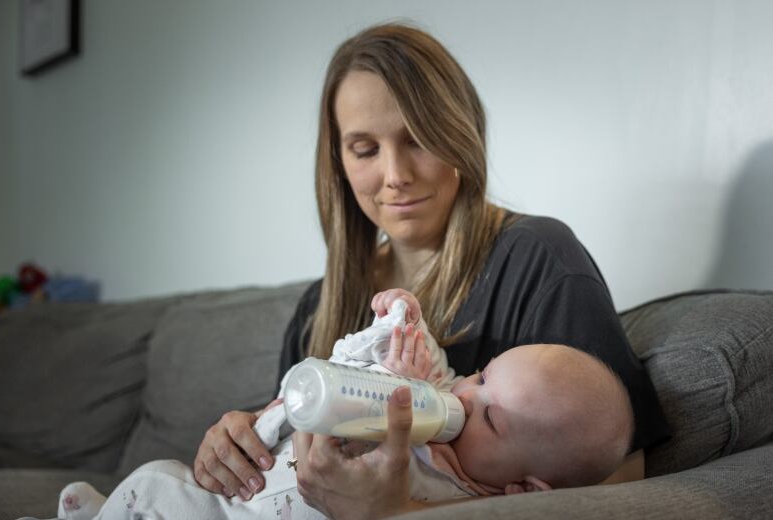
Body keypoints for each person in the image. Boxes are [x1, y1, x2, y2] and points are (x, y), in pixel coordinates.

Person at [192, 21, 671, 518]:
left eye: (417, 139)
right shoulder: (319, 307)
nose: (396, 176)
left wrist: (400, 511)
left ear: (459, 134)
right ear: (338, 162)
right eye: (365, 149)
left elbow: (617, 486)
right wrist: (238, 445)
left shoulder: (538, 259)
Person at [47, 291, 633, 520]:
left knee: (158, 492)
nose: (463, 397)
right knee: (158, 481)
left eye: (488, 417)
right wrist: (403, 321)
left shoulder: (455, 500)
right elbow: (412, 363)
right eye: (482, 376)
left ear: (524, 490)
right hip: (233, 498)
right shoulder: (439, 391)